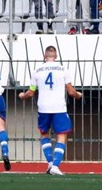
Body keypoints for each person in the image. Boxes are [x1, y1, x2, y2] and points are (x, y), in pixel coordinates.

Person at [18, 46, 82, 175]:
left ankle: (50, 163)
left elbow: (31, 92)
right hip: (59, 107)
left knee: (44, 134)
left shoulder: (37, 70)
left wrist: (22, 96)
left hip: (43, 107)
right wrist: (78, 95)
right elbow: (70, 91)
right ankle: (55, 166)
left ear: (44, 56)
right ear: (56, 56)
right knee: (61, 135)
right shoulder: (63, 69)